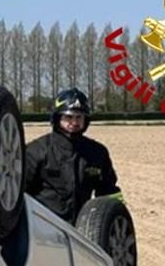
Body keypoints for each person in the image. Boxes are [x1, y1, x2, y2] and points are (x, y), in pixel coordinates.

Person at [23, 88, 122, 224]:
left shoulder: (97, 152)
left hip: (81, 231)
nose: (74, 122)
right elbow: (18, 194)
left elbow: (109, 193)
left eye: (79, 117)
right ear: (57, 118)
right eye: (68, 117)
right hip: (42, 229)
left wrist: (118, 219)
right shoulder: (35, 151)